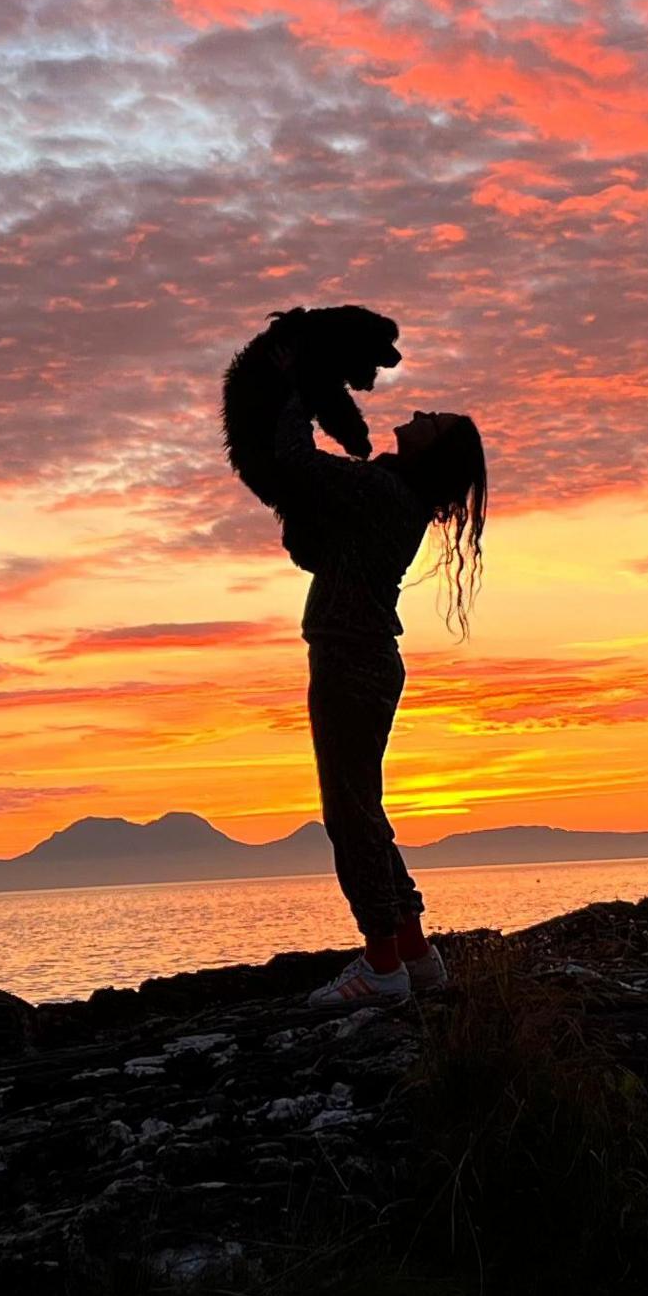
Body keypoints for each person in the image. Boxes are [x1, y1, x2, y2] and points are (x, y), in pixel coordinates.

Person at [233, 330, 489, 1010]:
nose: (423, 416)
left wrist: (297, 391)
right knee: (363, 811)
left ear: (432, 450)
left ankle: (382, 965)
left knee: (348, 818)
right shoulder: (390, 498)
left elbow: (293, 460)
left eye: (434, 424)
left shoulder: (380, 491)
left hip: (351, 657)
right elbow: (321, 549)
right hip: (365, 656)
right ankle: (415, 952)